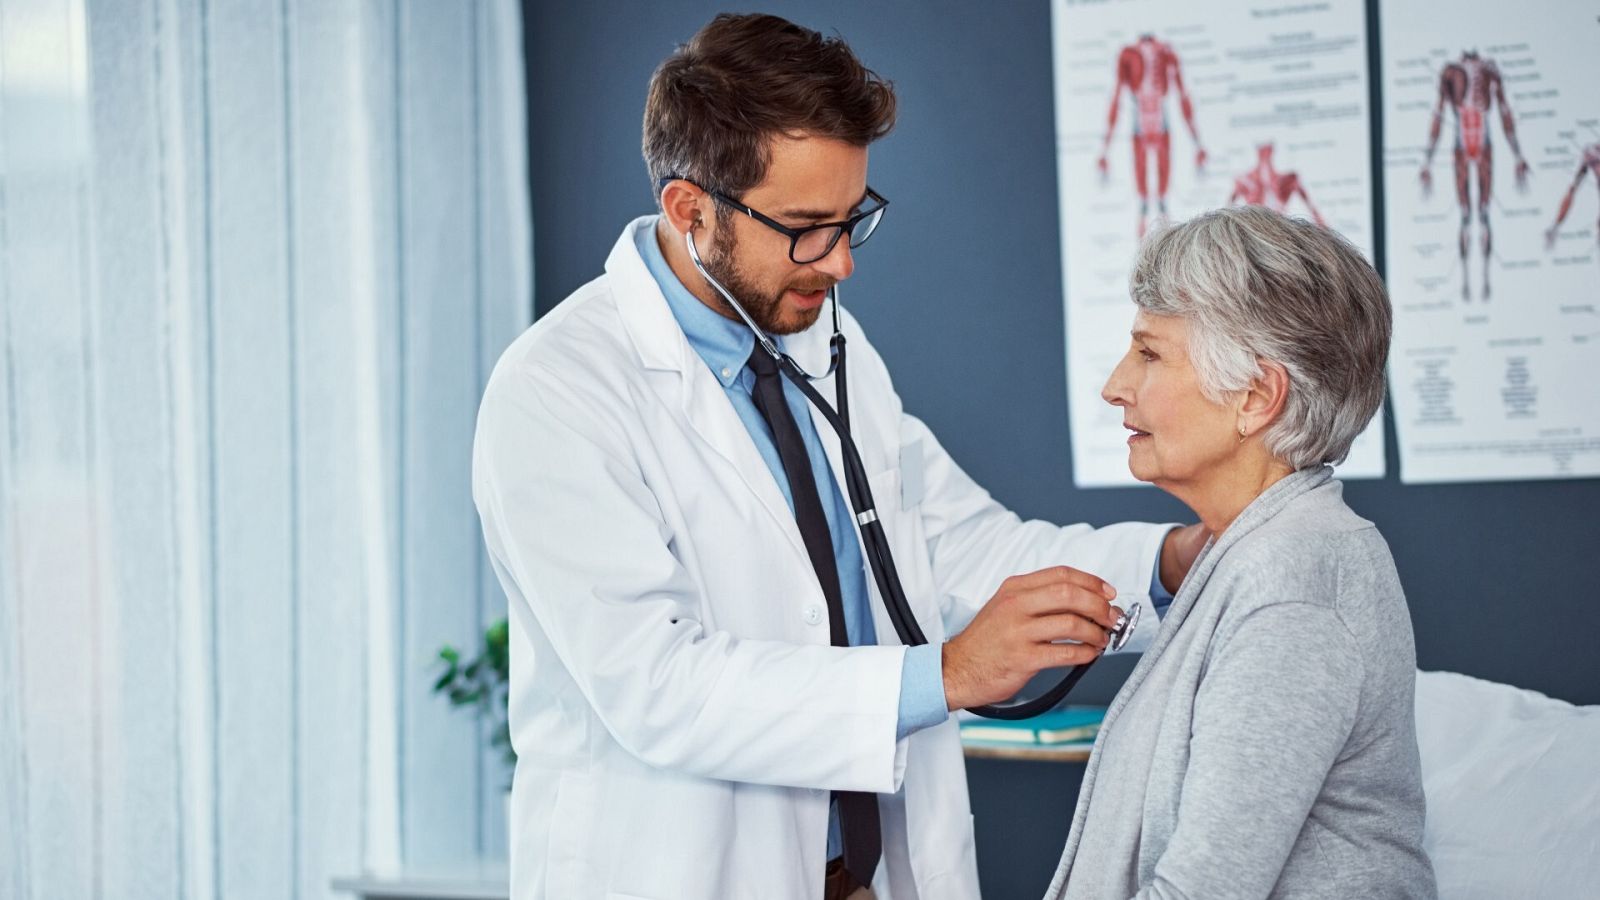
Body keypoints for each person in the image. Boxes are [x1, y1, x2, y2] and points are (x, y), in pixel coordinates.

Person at [473, 14, 1201, 900]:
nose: (844, 263)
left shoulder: (827, 345)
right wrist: (950, 672)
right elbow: (657, 685)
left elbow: (963, 549)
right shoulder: (559, 390)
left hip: (861, 877)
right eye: (808, 227)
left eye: (853, 218)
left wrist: (1169, 566)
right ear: (689, 208)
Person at [1044, 206, 1436, 899]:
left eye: (1150, 353)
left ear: (1256, 398)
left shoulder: (1293, 583)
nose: (1115, 386)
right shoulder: (1257, 551)